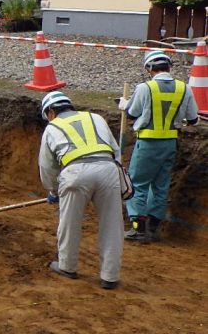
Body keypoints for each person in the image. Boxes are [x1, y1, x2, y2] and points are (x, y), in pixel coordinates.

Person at [38, 91, 123, 290]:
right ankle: (110, 276)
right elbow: (115, 151)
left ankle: (67, 266)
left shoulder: (52, 127)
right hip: (108, 170)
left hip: (75, 173)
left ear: (51, 111)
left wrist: (53, 190)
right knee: (112, 225)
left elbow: (46, 166)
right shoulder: (96, 117)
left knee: (70, 223)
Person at [119, 50, 199, 243]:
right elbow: (193, 119)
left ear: (149, 68)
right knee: (160, 186)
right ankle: (153, 229)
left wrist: (124, 104)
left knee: (137, 184)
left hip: (148, 142)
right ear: (169, 66)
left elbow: (132, 112)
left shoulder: (145, 88)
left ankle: (139, 229)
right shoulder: (184, 88)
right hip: (170, 143)